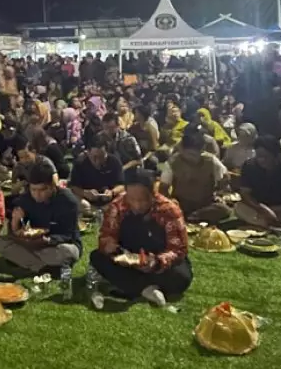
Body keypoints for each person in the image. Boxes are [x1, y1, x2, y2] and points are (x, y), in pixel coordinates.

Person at [90, 169, 192, 307]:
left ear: (153, 194)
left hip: (158, 260)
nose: (137, 205)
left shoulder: (169, 210)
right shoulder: (117, 206)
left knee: (182, 277)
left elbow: (179, 249)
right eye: (132, 200)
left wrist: (156, 262)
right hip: (127, 257)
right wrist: (111, 248)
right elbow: (106, 236)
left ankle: (132, 285)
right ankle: (146, 289)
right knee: (97, 257)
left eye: (143, 200)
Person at [0, 161, 81, 275]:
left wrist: (48, 241)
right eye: (33, 190)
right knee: (0, 243)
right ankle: (42, 268)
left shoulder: (67, 201)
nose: (37, 194)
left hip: (57, 245)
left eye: (42, 190)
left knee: (69, 252)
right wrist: (15, 221)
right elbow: (15, 233)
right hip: (33, 243)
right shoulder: (27, 198)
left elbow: (68, 235)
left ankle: (26, 261)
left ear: (52, 186)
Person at [234, 135, 281, 229]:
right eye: (259, 156)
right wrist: (262, 209)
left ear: (277, 156)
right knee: (239, 208)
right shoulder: (249, 166)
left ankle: (270, 223)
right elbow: (245, 194)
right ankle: (274, 224)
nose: (261, 160)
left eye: (265, 156)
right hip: (258, 208)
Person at [159, 130, 231, 223]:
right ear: (182, 149)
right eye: (189, 154)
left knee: (224, 209)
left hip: (205, 203)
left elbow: (225, 177)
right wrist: (170, 201)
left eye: (195, 155)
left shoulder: (211, 160)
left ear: (202, 150)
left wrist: (219, 192)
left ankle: (195, 215)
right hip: (182, 203)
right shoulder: (172, 162)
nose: (192, 158)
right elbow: (163, 188)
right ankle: (191, 216)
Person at [69, 133, 125, 213]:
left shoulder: (114, 162)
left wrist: (112, 192)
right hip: (87, 201)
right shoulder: (80, 163)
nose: (98, 161)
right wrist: (85, 193)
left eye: (102, 157)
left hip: (110, 201)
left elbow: (121, 185)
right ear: (88, 152)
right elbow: (73, 187)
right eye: (94, 157)